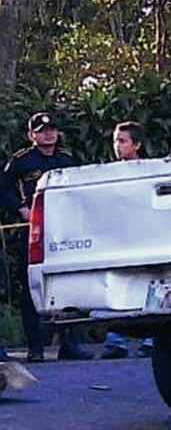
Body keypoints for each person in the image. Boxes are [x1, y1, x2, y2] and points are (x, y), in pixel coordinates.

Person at [0, 113, 91, 361]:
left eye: (51, 129)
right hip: (33, 233)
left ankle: (70, 345)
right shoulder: (22, 161)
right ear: (32, 136)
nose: (48, 134)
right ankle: (36, 348)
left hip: (63, 233)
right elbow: (2, 188)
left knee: (69, 286)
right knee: (31, 288)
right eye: (41, 130)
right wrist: (21, 208)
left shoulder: (67, 160)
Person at [100, 122, 154, 360]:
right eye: (115, 141)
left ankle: (151, 338)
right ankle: (116, 340)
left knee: (149, 286)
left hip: (146, 236)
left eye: (123, 141)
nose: (118, 146)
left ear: (137, 144)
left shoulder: (151, 170)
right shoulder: (109, 173)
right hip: (118, 238)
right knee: (118, 287)